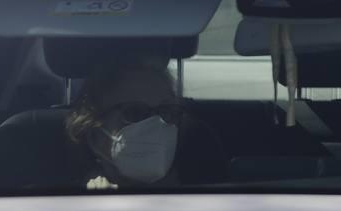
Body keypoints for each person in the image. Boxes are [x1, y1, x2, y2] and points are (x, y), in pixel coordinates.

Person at [66, 60, 224, 188]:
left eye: (166, 111)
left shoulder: (211, 194)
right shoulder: (66, 204)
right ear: (96, 139)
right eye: (135, 113)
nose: (157, 123)